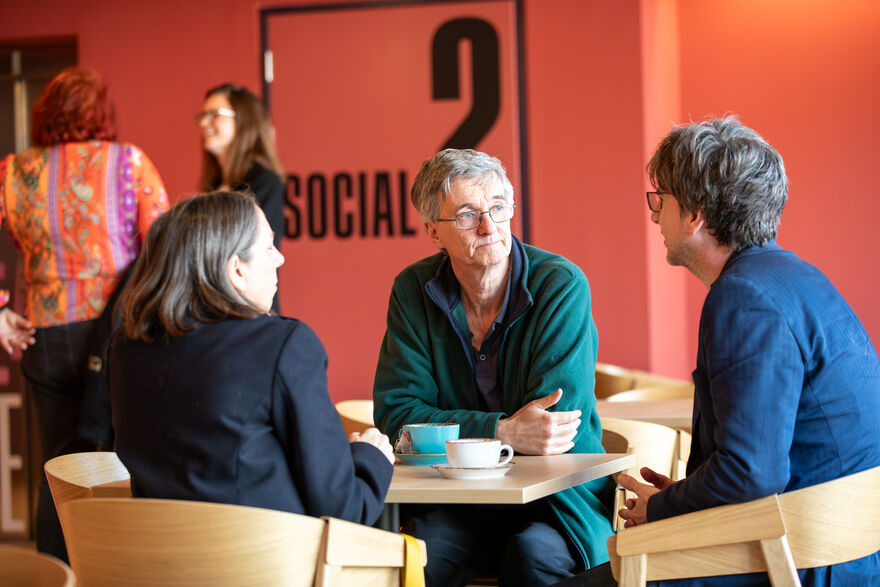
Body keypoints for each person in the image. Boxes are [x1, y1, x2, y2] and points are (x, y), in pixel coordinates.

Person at [612, 117, 880, 586]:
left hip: (796, 560)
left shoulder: (744, 298)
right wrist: (687, 496)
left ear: (694, 214)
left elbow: (751, 474)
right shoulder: (795, 276)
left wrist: (660, 508)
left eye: (661, 201)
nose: (655, 216)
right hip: (843, 550)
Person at [372, 149, 613, 586]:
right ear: (432, 231)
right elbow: (397, 419)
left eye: (498, 208)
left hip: (554, 502)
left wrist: (457, 432)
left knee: (531, 557)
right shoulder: (412, 290)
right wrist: (502, 432)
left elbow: (553, 432)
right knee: (417, 560)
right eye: (467, 215)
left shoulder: (560, 285)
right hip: (456, 501)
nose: (489, 226)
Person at [108, 191, 394, 526]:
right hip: (270, 571)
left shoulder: (125, 347)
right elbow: (344, 510)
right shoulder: (282, 345)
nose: (280, 259)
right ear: (236, 270)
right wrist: (371, 456)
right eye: (269, 246)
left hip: (153, 571)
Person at [0, 68, 169, 561]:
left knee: (57, 464)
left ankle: (57, 573)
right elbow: (163, 247)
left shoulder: (12, 173)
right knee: (119, 460)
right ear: (102, 115)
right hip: (118, 334)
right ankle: (116, 570)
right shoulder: (129, 163)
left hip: (42, 335)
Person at [196, 83, 285, 311]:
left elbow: (254, 256)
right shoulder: (213, 187)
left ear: (244, 121)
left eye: (214, 115)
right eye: (203, 116)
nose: (204, 123)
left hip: (249, 314)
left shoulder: (264, 182)